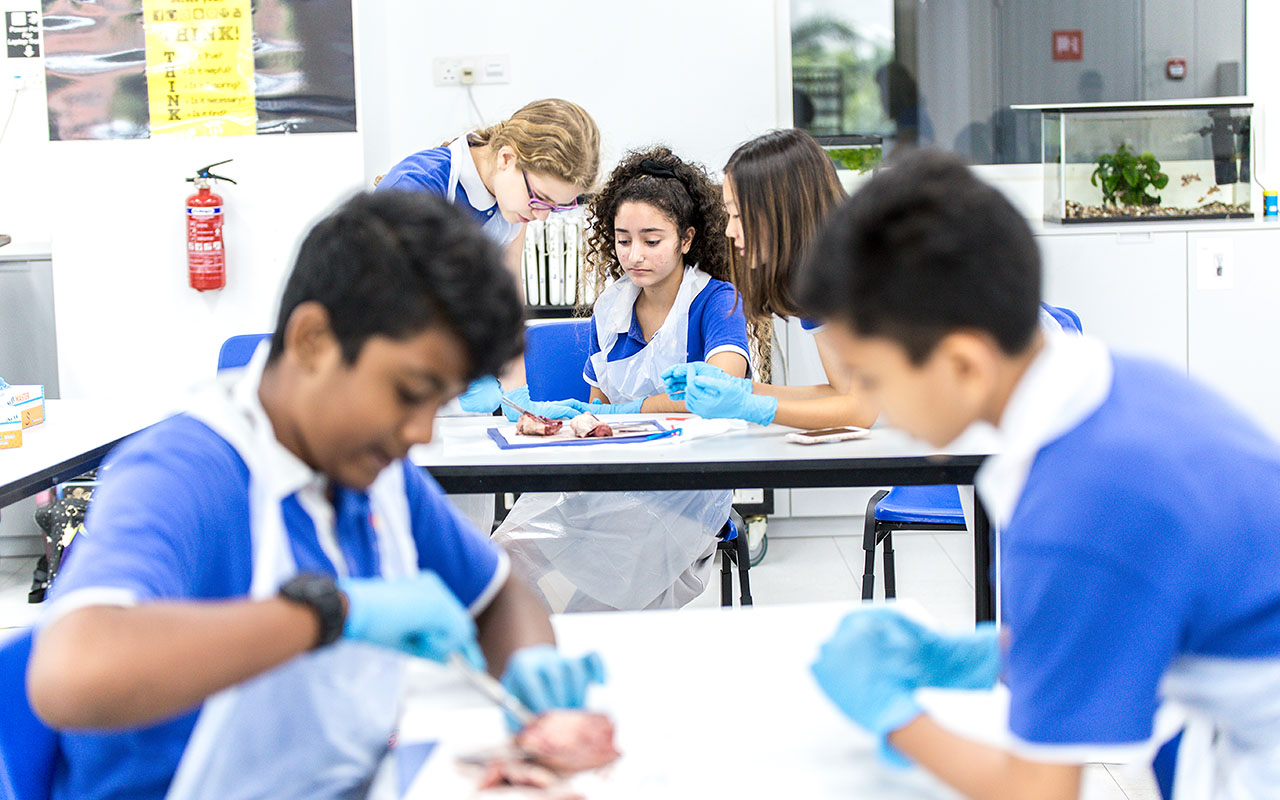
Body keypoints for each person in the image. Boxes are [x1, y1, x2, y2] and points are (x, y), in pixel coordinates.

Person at [27, 192, 605, 800]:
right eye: (410, 392)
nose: (421, 433)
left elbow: (497, 595)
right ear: (311, 340)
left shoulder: (374, 470)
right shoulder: (189, 471)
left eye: (439, 404)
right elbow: (69, 675)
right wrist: (330, 615)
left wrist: (530, 669)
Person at [796, 150, 1280, 799]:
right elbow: (1124, 606)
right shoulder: (1118, 387)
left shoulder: (1074, 505)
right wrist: (991, 653)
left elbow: (1040, 792)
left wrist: (894, 715)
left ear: (964, 365)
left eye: (875, 378)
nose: (871, 402)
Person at [492, 146, 752, 612]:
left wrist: (632, 410)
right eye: (623, 239)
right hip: (610, 473)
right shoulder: (612, 306)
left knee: (596, 611)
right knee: (502, 558)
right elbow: (599, 407)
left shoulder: (715, 300)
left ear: (686, 239)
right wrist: (577, 422)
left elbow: (722, 385)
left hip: (683, 490)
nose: (635, 255)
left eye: (652, 241)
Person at [377, 97, 601, 413]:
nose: (541, 218)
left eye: (555, 207)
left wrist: (518, 398)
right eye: (541, 200)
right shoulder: (421, 186)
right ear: (507, 158)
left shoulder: (511, 207)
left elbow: (507, 307)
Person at [661, 128, 879, 430]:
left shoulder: (857, 269)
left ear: (781, 208)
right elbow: (841, 394)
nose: (729, 231)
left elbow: (861, 410)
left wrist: (751, 406)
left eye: (738, 215)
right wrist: (741, 390)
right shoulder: (818, 280)